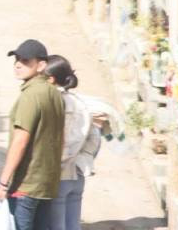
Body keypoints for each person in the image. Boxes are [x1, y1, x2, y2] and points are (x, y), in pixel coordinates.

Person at [42, 54, 121, 230]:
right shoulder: (80, 102)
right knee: (72, 225)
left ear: (51, 79)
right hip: (78, 173)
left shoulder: (56, 103)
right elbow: (94, 137)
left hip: (60, 175)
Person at [0, 39, 65, 230]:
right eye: (17, 59)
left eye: (25, 61)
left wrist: (3, 182)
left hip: (27, 185)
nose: (18, 64)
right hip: (47, 183)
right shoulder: (55, 94)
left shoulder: (31, 96)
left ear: (41, 65)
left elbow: (20, 141)